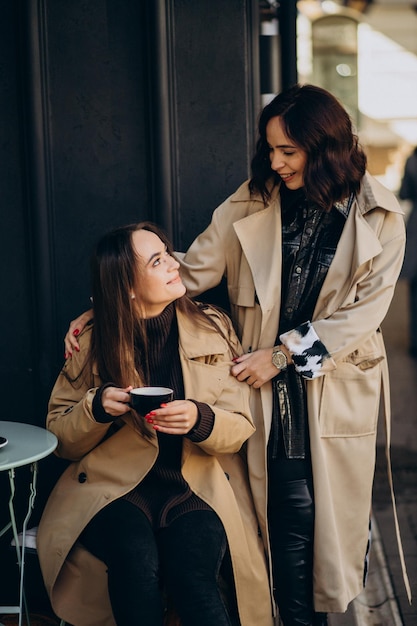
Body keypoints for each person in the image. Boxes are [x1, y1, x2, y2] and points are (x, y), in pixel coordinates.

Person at [64, 84, 407, 626]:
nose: (275, 162)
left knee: (321, 533)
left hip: (329, 390)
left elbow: (366, 312)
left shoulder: (382, 216)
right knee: (276, 530)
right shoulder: (252, 200)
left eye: (288, 151)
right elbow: (189, 272)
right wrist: (108, 305)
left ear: (325, 148)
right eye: (270, 149)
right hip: (257, 395)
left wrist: (283, 353)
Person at [38, 222, 274, 626]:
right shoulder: (91, 340)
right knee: (135, 565)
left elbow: (241, 426)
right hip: (116, 489)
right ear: (127, 286)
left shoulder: (212, 327)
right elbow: (58, 438)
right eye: (157, 260)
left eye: (167, 252)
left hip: (195, 485)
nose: (173, 263)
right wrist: (96, 408)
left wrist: (200, 419)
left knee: (194, 577)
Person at [399, 146, 417, 358]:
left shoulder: (412, 159)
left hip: (415, 229)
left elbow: (405, 193)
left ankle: (414, 341)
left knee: (414, 291)